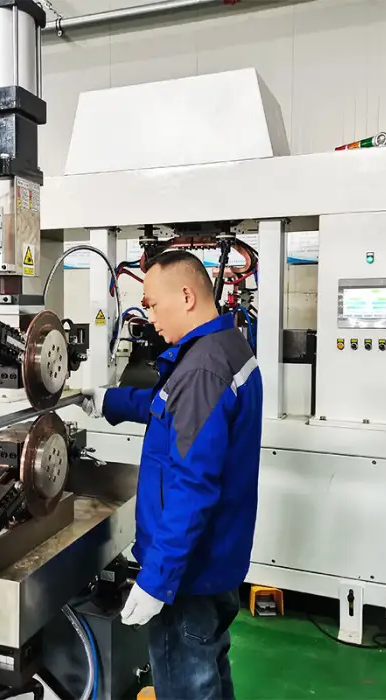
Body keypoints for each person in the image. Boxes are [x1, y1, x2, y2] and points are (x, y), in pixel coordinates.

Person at [82, 250, 263, 700]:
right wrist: (108, 401)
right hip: (217, 560)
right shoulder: (224, 347)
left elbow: (192, 487)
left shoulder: (202, 369)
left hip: (187, 574)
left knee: (186, 686)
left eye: (152, 304)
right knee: (209, 672)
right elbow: (167, 406)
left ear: (185, 296)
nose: (149, 317)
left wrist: (157, 580)